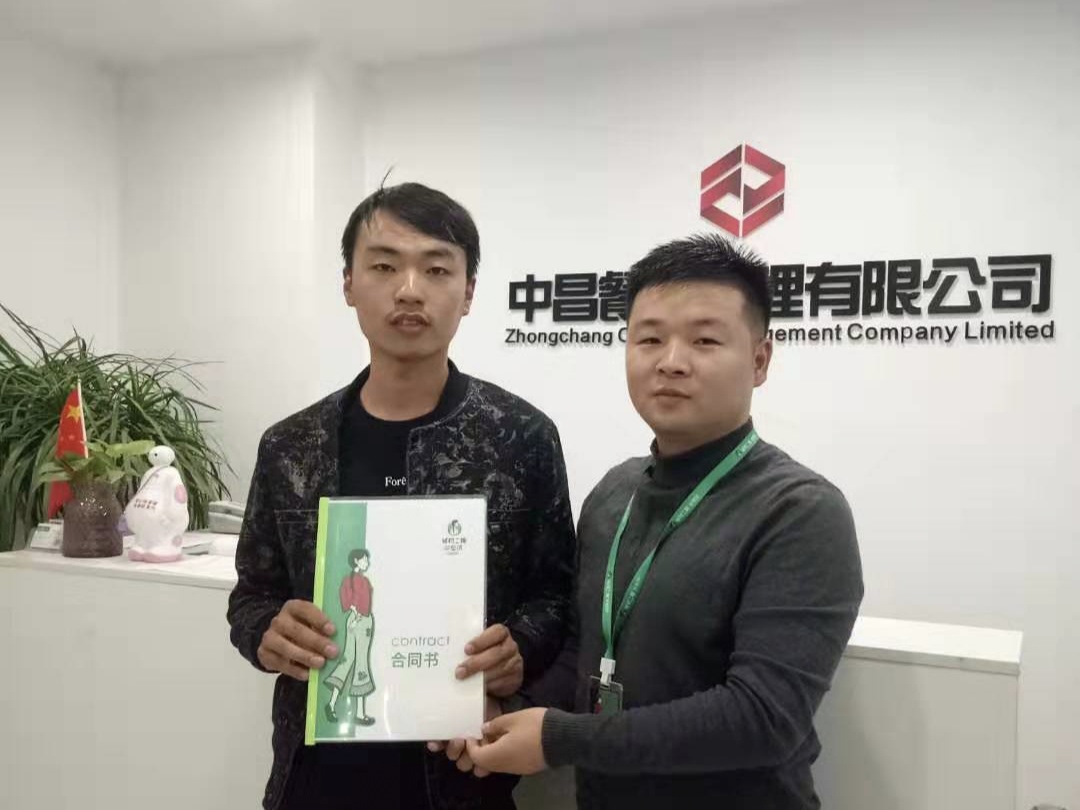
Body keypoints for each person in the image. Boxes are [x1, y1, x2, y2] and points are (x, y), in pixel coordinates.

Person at [466, 234, 865, 810]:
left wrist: (558, 738)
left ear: (760, 360)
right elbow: (583, 653)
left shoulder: (800, 511)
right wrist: (504, 712)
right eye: (649, 338)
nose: (671, 361)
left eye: (705, 340)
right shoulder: (614, 493)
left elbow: (763, 717)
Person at [226, 182, 576, 810]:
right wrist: (266, 633)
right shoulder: (291, 445)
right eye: (384, 266)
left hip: (463, 776)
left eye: (436, 269)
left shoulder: (521, 437)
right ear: (348, 284)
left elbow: (557, 594)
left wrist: (520, 645)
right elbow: (252, 593)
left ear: (468, 292)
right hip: (317, 776)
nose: (410, 289)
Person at [324, 548, 375, 726]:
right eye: (364, 560)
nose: (367, 562)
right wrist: (355, 613)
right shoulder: (351, 580)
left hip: (361, 620)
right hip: (359, 621)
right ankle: (359, 713)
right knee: (360, 663)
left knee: (349, 660)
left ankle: (332, 704)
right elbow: (347, 601)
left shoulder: (361, 580)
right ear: (356, 562)